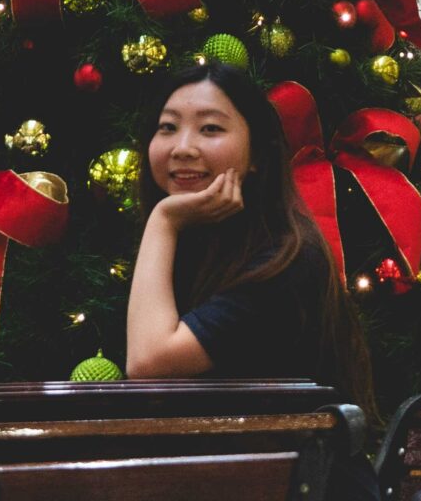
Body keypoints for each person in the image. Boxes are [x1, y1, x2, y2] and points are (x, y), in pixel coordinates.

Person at [124, 61, 379, 500]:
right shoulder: (194, 248)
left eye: (210, 129)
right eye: (167, 128)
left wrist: (163, 220)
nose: (182, 147)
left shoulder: (287, 257)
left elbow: (149, 365)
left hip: (306, 489)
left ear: (258, 154)